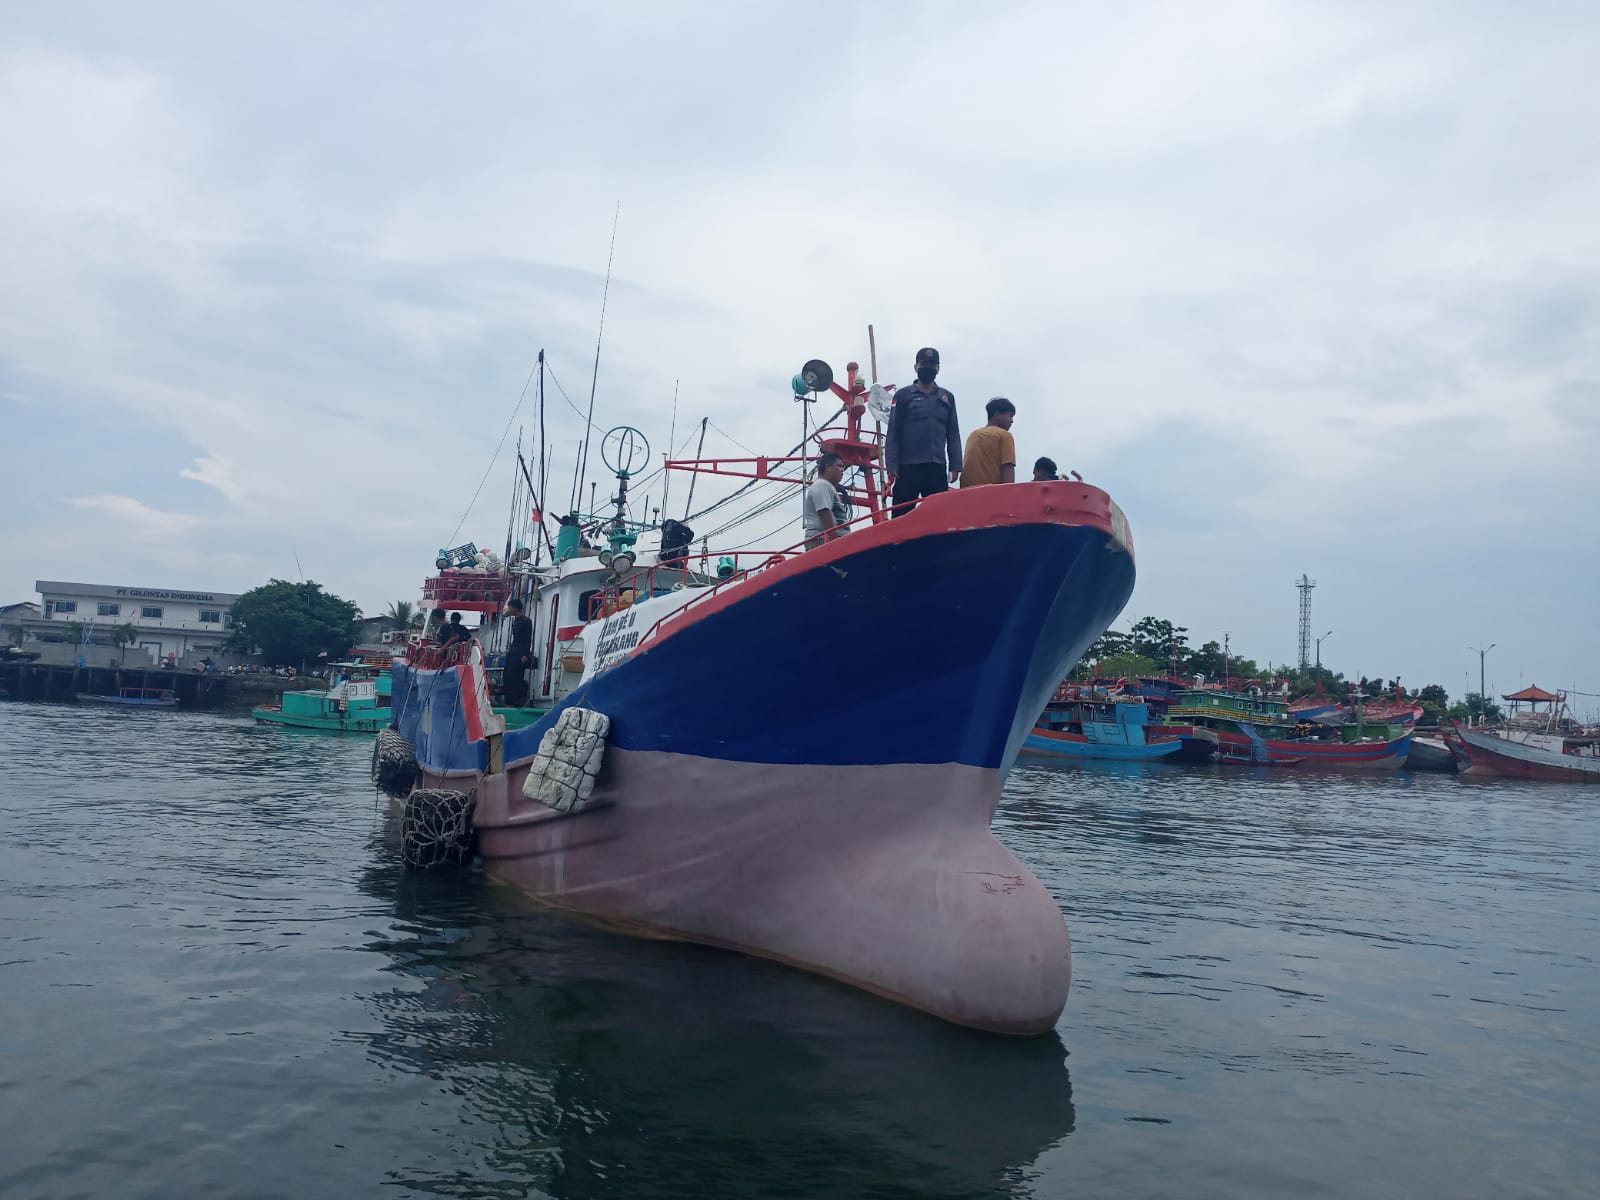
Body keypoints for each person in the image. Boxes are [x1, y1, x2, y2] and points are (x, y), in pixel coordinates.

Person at [884, 347, 961, 516]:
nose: (929, 368)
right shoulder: (903, 395)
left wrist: (955, 465)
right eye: (924, 364)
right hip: (908, 466)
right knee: (901, 516)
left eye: (932, 365)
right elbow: (893, 432)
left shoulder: (947, 397)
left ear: (938, 368)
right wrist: (891, 464)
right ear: (916, 367)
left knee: (939, 517)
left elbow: (953, 433)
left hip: (936, 466)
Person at [959, 397, 1017, 487]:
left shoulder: (973, 435)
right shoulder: (1004, 435)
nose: (1012, 421)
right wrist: (1010, 492)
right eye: (1010, 416)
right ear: (997, 414)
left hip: (967, 491)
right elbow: (1007, 467)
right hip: (991, 492)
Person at [803, 452, 845, 549]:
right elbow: (824, 512)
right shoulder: (822, 485)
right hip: (822, 540)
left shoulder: (827, 486)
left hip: (826, 540)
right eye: (839, 466)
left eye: (843, 467)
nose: (842, 470)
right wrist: (835, 542)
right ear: (828, 467)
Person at [502, 597, 534, 707]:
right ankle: (508, 700)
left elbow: (527, 638)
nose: (509, 610)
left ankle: (517, 700)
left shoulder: (526, 621)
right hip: (513, 650)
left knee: (515, 676)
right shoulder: (515, 621)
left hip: (520, 652)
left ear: (516, 608)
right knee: (507, 675)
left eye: (510, 608)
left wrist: (525, 654)